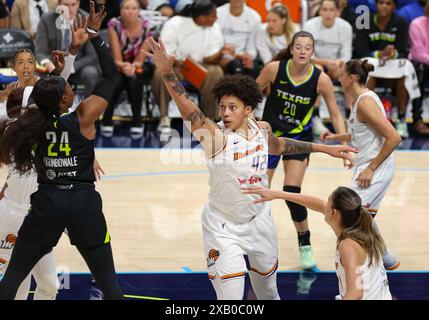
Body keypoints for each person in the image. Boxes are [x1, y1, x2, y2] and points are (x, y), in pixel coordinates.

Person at [143, 36, 357, 300]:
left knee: (268, 294)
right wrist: (168, 73)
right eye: (222, 107)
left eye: (232, 107)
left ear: (248, 109)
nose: (225, 113)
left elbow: (279, 146)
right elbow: (189, 111)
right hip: (223, 228)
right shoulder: (216, 138)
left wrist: (327, 149)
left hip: (260, 223)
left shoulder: (261, 128)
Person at [0, 2, 123, 300]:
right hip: (80, 202)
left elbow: (51, 89)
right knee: (109, 284)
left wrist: (69, 54)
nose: (71, 89)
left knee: (16, 279)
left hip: (46, 204)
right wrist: (94, 35)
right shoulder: (82, 117)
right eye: (68, 90)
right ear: (64, 100)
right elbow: (111, 78)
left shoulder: (31, 124)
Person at [256, 31, 348, 270]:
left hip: (298, 139)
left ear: (312, 52)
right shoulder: (274, 69)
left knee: (291, 190)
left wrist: (342, 142)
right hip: (269, 138)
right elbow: (250, 95)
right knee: (258, 192)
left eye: (308, 47)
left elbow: (335, 113)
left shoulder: (321, 79)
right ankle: (254, 242)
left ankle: (304, 244)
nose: (303, 51)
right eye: (299, 46)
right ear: (292, 48)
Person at [242, 186, 392, 300]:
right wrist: (277, 194)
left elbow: (356, 292)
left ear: (334, 213)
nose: (323, 205)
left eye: (328, 202)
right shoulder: (361, 227)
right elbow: (317, 203)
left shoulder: (348, 245)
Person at [323, 59, 402, 270]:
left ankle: (365, 262)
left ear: (352, 78)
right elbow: (361, 133)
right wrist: (335, 136)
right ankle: (386, 258)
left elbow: (394, 137)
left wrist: (370, 168)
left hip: (376, 166)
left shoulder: (365, 102)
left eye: (342, 74)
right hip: (366, 165)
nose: (339, 77)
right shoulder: (358, 101)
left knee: (345, 212)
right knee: (362, 215)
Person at [151, 0, 224, 133]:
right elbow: (166, 51)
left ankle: (209, 118)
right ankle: (164, 117)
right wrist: (182, 63)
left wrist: (220, 54)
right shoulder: (175, 23)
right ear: (202, 18)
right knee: (160, 73)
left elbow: (210, 56)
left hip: (201, 65)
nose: (216, 18)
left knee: (217, 72)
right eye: (213, 15)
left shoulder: (215, 27)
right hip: (176, 65)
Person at [353, 0, 414, 138]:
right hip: (373, 69)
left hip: (391, 70)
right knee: (368, 72)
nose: (384, 6)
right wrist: (379, 54)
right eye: (381, 3)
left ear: (394, 7)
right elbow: (359, 50)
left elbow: (404, 51)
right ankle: (368, 120)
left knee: (404, 75)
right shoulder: (364, 20)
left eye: (388, 3)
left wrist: (393, 54)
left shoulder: (401, 22)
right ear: (376, 5)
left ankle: (401, 119)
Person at [100, 0, 154, 136]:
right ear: (121, 11)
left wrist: (132, 67)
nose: (130, 11)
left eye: (134, 8)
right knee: (116, 79)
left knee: (134, 78)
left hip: (141, 64)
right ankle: (107, 119)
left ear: (139, 11)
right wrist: (123, 66)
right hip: (119, 63)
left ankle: (137, 120)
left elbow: (141, 58)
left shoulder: (148, 26)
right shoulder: (114, 24)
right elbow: (116, 57)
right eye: (126, 8)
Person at [35, 0, 101, 98]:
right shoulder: (46, 19)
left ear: (79, 3)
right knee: (36, 73)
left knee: (90, 72)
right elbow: (40, 51)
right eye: (65, 5)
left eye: (73, 4)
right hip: (54, 66)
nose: (69, 9)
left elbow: (92, 55)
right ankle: (42, 108)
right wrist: (48, 64)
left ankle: (88, 108)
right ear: (59, 4)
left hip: (78, 67)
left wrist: (71, 67)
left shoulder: (89, 20)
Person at [303, 0, 353, 80]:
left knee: (340, 71)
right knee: (317, 70)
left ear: (337, 12)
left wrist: (337, 63)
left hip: (335, 65)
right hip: (315, 63)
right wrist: (325, 62)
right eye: (324, 9)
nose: (328, 13)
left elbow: (346, 56)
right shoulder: (309, 25)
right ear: (320, 11)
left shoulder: (346, 27)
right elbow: (306, 54)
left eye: (331, 10)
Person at [217, 0, 262, 78]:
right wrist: (230, 55)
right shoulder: (218, 13)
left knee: (253, 68)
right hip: (224, 56)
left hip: (244, 56)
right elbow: (217, 44)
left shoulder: (254, 17)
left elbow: (252, 47)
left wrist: (249, 56)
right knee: (235, 65)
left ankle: (252, 90)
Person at [408, 0, 429, 135]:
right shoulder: (417, 24)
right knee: (419, 70)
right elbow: (418, 53)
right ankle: (417, 120)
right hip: (421, 64)